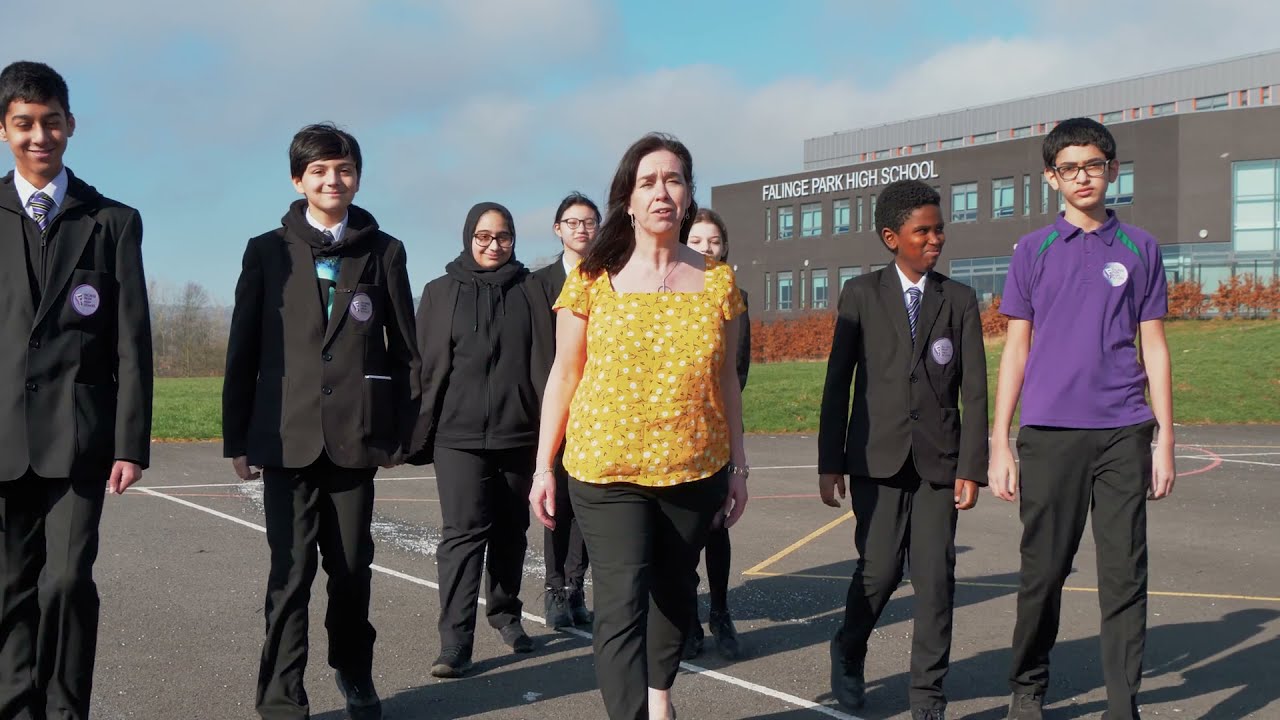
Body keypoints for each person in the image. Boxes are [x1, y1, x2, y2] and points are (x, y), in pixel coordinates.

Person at [531, 132, 749, 720]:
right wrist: (543, 467)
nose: (661, 192)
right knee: (621, 599)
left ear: (689, 195)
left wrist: (738, 466)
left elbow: (727, 380)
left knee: (675, 594)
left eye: (673, 180)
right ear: (627, 199)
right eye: (647, 181)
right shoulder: (591, 278)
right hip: (606, 470)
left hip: (693, 469)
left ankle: (659, 699)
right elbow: (564, 373)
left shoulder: (719, 281)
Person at [223, 123, 420, 720]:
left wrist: (402, 432)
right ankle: (282, 694)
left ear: (357, 177)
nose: (332, 180)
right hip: (286, 437)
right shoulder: (266, 250)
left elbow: (406, 351)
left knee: (352, 568)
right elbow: (243, 349)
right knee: (290, 574)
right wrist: (238, 438)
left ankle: (353, 668)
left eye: (343, 169)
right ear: (297, 180)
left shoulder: (384, 251)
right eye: (319, 170)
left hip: (356, 437)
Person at [989, 118, 1175, 720]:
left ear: (1112, 169)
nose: (1083, 177)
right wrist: (1000, 441)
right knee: (1043, 573)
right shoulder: (1032, 250)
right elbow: (1016, 348)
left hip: (1124, 430)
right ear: (1052, 177)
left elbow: (1154, 346)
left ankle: (1124, 702)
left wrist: (1166, 440)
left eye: (1093, 164)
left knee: (1124, 575)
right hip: (1049, 434)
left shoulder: (1141, 248)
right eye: (1069, 168)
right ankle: (1028, 688)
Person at [0, 60, 154, 720]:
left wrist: (130, 443)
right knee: (8, 588)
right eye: (24, 123)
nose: (40, 136)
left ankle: (64, 712)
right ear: (4, 129)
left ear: (71, 124)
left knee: (65, 581)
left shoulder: (112, 221)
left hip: (80, 437)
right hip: (3, 435)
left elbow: (132, 340)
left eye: (51, 122)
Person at [817, 180, 987, 720]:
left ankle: (928, 697)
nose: (936, 239)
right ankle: (849, 649)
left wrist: (971, 467)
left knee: (935, 580)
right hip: (876, 459)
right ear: (892, 237)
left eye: (940, 229)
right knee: (881, 571)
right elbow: (838, 383)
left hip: (939, 464)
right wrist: (830, 461)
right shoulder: (860, 294)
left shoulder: (958, 299)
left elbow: (975, 390)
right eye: (923, 231)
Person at [412, 201, 555, 679]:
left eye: (503, 236)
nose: (494, 245)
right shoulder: (440, 291)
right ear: (468, 237)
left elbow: (545, 362)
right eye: (484, 236)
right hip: (458, 435)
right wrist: (415, 425)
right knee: (463, 534)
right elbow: (424, 364)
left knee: (511, 531)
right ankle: (455, 641)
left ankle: (506, 614)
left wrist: (550, 434)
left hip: (519, 433)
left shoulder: (531, 289)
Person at [680, 207, 750, 660]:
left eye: (714, 241)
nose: (707, 248)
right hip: (676, 433)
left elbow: (736, 370)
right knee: (683, 532)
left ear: (725, 247)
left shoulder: (734, 295)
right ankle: (687, 616)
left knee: (716, 525)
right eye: (697, 240)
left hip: (718, 427)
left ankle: (720, 612)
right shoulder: (669, 291)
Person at [534, 192, 600, 629]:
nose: (581, 229)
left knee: (587, 504)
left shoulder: (610, 276)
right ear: (558, 229)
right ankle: (555, 588)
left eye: (589, 221)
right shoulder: (539, 282)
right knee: (557, 504)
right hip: (556, 405)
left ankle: (576, 586)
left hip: (597, 410)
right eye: (572, 222)